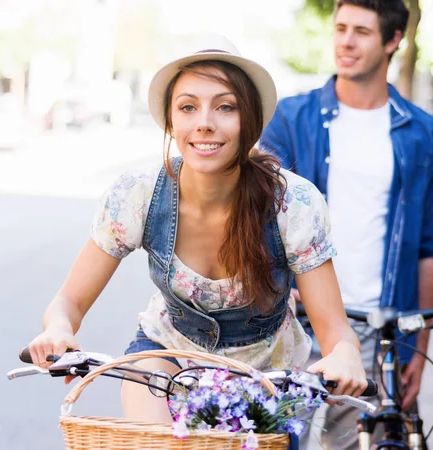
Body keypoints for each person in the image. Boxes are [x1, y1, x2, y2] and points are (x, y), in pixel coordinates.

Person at [28, 35, 368, 425]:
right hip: (166, 357)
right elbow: (68, 301)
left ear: (250, 120)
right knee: (147, 416)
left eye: (225, 107)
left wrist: (344, 354)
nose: (204, 123)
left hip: (265, 379)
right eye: (188, 107)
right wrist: (58, 329)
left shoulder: (293, 203)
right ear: (171, 121)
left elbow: (336, 330)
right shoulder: (137, 194)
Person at [260, 1, 433, 448]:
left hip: (380, 328)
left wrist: (421, 342)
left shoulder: (422, 133)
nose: (346, 41)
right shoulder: (291, 119)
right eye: (340, 28)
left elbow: (428, 248)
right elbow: (254, 215)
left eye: (361, 31)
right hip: (294, 321)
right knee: (276, 439)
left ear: (394, 41)